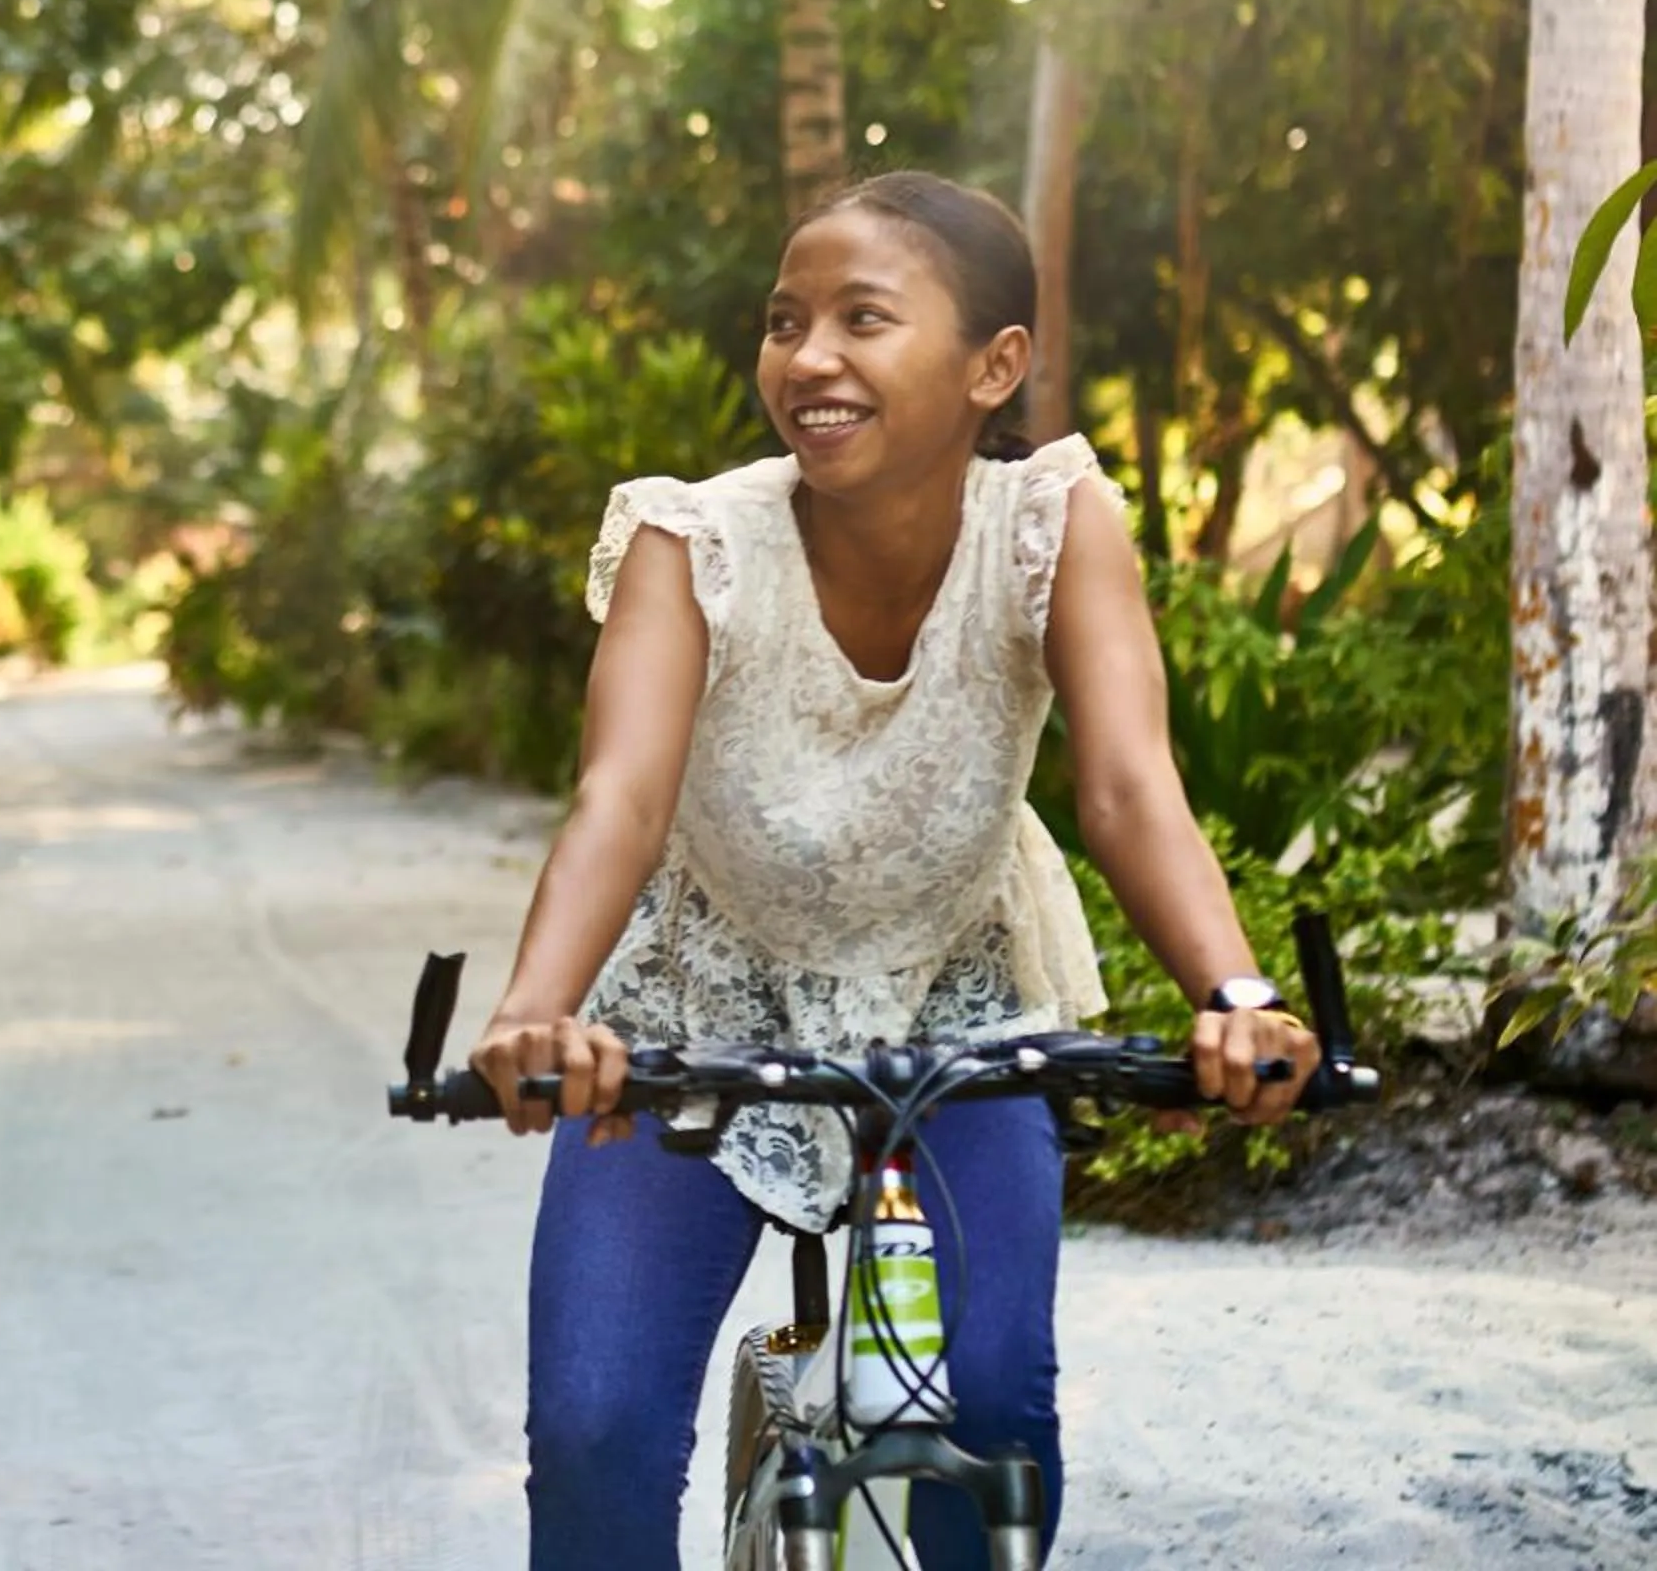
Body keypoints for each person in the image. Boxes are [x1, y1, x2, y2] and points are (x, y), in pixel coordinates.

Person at [465, 170, 1321, 1569]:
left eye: (864, 319)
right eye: (784, 321)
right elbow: (620, 799)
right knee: (597, 1430)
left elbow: (1124, 787)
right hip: (692, 1010)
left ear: (996, 366)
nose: (809, 360)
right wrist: (533, 1013)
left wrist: (1235, 993)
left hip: (959, 1007)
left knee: (988, 1414)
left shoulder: (1051, 526)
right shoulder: (694, 543)